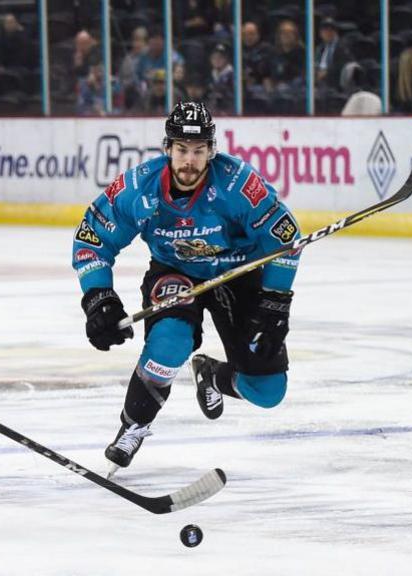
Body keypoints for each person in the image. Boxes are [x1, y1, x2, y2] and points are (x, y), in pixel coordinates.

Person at [72, 102, 301, 476]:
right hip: (176, 273)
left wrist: (276, 302)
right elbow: (91, 240)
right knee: (170, 341)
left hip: (237, 274)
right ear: (167, 148)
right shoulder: (138, 188)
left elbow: (285, 236)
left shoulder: (238, 184)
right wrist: (99, 298)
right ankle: (134, 425)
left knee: (268, 392)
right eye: (181, 150)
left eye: (198, 151)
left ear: (212, 150)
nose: (189, 161)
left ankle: (211, 375)